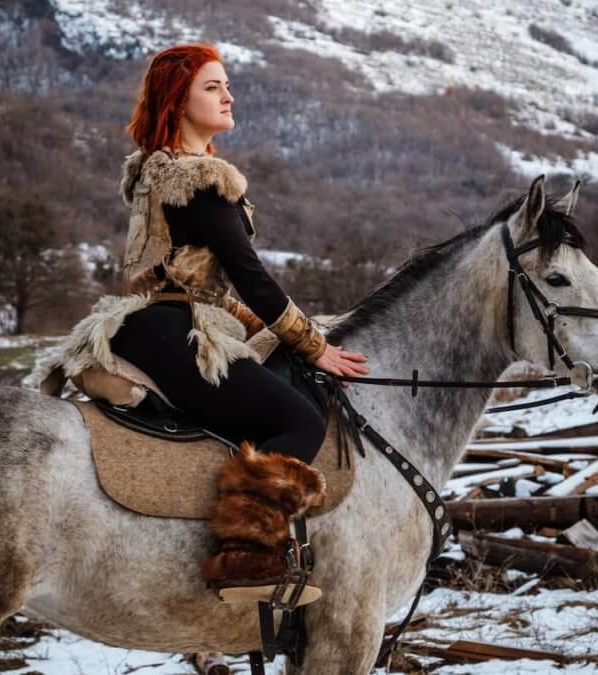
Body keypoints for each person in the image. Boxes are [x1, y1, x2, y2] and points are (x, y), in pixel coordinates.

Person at [103, 43, 368, 604]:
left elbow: (202, 285)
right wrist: (314, 346)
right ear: (178, 100)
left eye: (227, 85)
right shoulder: (200, 179)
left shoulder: (157, 172)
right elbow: (251, 277)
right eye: (212, 87)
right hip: (174, 330)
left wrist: (273, 334)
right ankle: (247, 555)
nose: (228, 96)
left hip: (155, 321)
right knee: (300, 421)